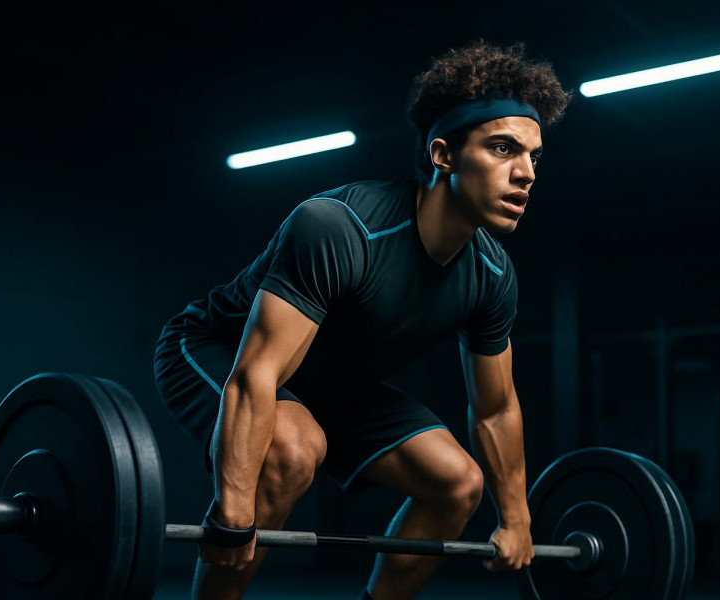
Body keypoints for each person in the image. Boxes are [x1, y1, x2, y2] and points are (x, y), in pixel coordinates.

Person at [154, 39, 572, 600]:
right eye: (503, 149)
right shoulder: (339, 228)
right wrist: (232, 512)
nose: (526, 174)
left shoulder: (492, 276)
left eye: (533, 157)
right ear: (443, 155)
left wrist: (516, 519)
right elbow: (257, 375)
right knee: (291, 449)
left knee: (456, 483)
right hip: (221, 351)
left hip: (336, 384)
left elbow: (496, 409)